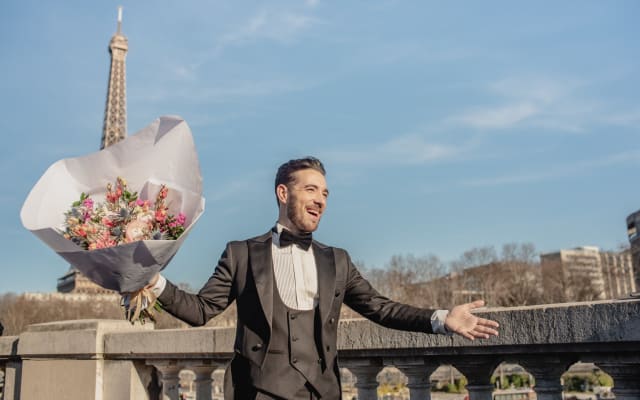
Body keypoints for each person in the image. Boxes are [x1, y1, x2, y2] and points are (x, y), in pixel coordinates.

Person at [148, 156, 499, 399]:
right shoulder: (241, 253)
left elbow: (382, 309)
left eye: (326, 193)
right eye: (311, 190)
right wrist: (153, 282)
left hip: (323, 392)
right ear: (283, 193)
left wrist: (441, 319)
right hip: (260, 392)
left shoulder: (337, 261)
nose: (321, 200)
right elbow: (200, 310)